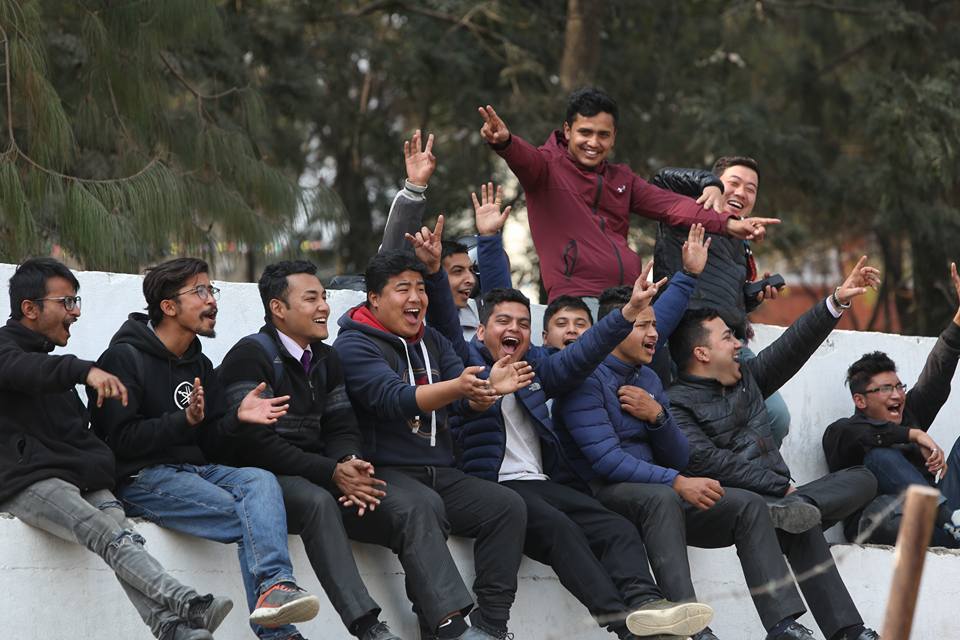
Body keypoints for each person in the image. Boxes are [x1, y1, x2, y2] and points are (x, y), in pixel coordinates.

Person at [217, 259, 486, 640]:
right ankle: (367, 626)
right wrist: (332, 473)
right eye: (311, 299)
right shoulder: (251, 354)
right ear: (278, 308)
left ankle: (451, 626)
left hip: (325, 473)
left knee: (415, 504)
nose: (324, 307)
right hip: (266, 479)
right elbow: (255, 446)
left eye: (324, 297)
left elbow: (342, 425)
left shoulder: (327, 359)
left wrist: (349, 463)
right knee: (318, 501)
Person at [555, 287, 823, 640]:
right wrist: (677, 482)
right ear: (614, 329)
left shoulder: (648, 378)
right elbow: (606, 461)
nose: (654, 334)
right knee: (662, 498)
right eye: (643, 326)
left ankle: (782, 624)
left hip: (658, 490)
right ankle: (691, 628)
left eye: (654, 326)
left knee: (747, 504)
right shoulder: (584, 381)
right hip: (605, 496)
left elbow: (679, 457)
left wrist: (659, 418)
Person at [0, 258, 233, 640]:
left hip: (78, 477)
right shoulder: (8, 352)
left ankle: (170, 629)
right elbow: (26, 372)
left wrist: (100, 464)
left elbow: (76, 430)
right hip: (27, 482)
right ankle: (188, 604)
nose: (74, 312)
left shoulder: (47, 362)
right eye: (66, 302)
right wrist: (84, 370)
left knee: (125, 538)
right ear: (30, 308)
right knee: (105, 533)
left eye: (77, 302)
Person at [89, 257, 320, 640]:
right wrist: (184, 421)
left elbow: (210, 442)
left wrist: (235, 418)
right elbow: (119, 441)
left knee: (261, 482)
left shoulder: (201, 362)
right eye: (200, 291)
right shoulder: (123, 358)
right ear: (168, 306)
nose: (212, 300)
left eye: (212, 290)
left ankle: (277, 589)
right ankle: (279, 632)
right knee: (251, 518)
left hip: (193, 471)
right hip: (141, 477)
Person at [665, 258, 883, 640]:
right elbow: (704, 459)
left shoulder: (748, 378)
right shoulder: (675, 403)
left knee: (863, 478)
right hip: (728, 508)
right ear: (701, 353)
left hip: (780, 502)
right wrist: (778, 486)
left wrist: (836, 302)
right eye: (728, 337)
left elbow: (792, 346)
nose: (738, 343)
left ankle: (845, 628)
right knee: (790, 512)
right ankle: (819, 629)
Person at [333, 250, 534, 640]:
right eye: (402, 289)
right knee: (422, 508)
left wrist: (482, 394)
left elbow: (463, 397)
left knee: (506, 507)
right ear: (374, 298)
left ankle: (490, 628)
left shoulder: (433, 340)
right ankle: (452, 629)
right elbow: (393, 398)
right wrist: (460, 388)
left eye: (421, 288)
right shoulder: (353, 345)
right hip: (381, 475)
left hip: (441, 472)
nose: (416, 298)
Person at [477, 87, 780, 301]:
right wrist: (504, 142)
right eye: (585, 132)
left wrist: (729, 223)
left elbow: (672, 205)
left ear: (613, 138)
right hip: (578, 303)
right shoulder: (546, 167)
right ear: (567, 130)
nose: (593, 142)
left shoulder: (622, 178)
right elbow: (524, 157)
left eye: (603, 135)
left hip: (627, 300)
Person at [651, 156, 791, 446]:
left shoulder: (742, 242)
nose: (742, 193)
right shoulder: (689, 209)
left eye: (751, 189)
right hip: (685, 339)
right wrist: (709, 185)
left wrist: (754, 296)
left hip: (730, 342)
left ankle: (753, 480)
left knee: (776, 416)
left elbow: (729, 298)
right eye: (734, 183)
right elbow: (660, 178)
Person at [823, 262, 960, 546]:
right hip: (885, 522)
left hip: (935, 525)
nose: (897, 395)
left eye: (899, 386)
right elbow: (866, 436)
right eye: (886, 389)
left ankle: (950, 525)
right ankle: (949, 523)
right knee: (879, 457)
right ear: (859, 400)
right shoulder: (842, 433)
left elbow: (936, 374)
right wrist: (914, 434)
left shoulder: (910, 413)